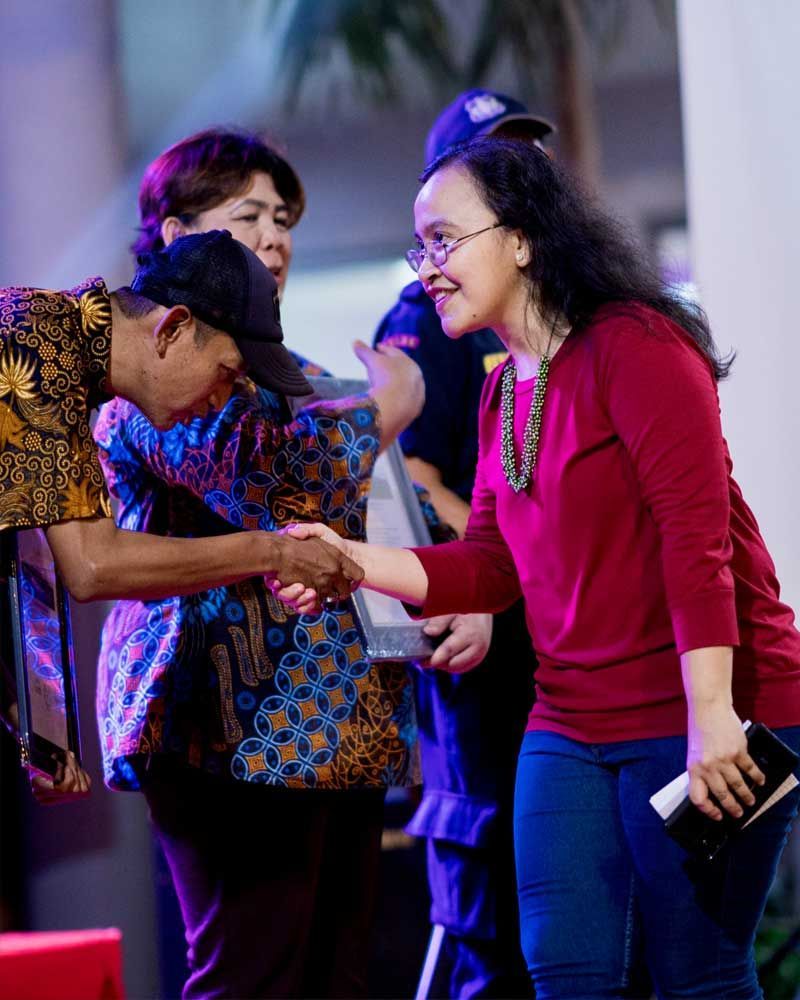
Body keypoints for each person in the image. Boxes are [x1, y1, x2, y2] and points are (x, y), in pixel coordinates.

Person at [282, 137, 800, 999]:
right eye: (421, 248)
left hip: (710, 708)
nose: (428, 269)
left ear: (520, 237)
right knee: (565, 972)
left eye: (445, 240)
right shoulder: (502, 392)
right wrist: (348, 560)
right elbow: (489, 567)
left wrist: (715, 718)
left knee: (697, 978)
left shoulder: (636, 345)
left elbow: (695, 541)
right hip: (569, 718)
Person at [93, 127, 434, 999]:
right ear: (175, 234)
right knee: (253, 977)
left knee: (340, 976)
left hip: (345, 718)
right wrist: (392, 406)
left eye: (284, 218)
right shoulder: (153, 359)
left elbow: (384, 502)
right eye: (249, 215)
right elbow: (277, 472)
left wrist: (453, 592)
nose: (276, 236)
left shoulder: (301, 376)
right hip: (225, 726)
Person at [0, 229, 362, 798]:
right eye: (227, 372)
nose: (224, 399)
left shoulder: (63, 355)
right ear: (172, 328)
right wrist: (272, 549)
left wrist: (29, 727)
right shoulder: (35, 340)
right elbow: (94, 566)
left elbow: (24, 569)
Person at [372, 90, 551, 999]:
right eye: (496, 161)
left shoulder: (585, 319)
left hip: (568, 659)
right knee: (496, 924)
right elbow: (411, 478)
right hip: (483, 656)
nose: (522, 177)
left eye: (529, 158)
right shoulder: (432, 316)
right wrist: (489, 578)